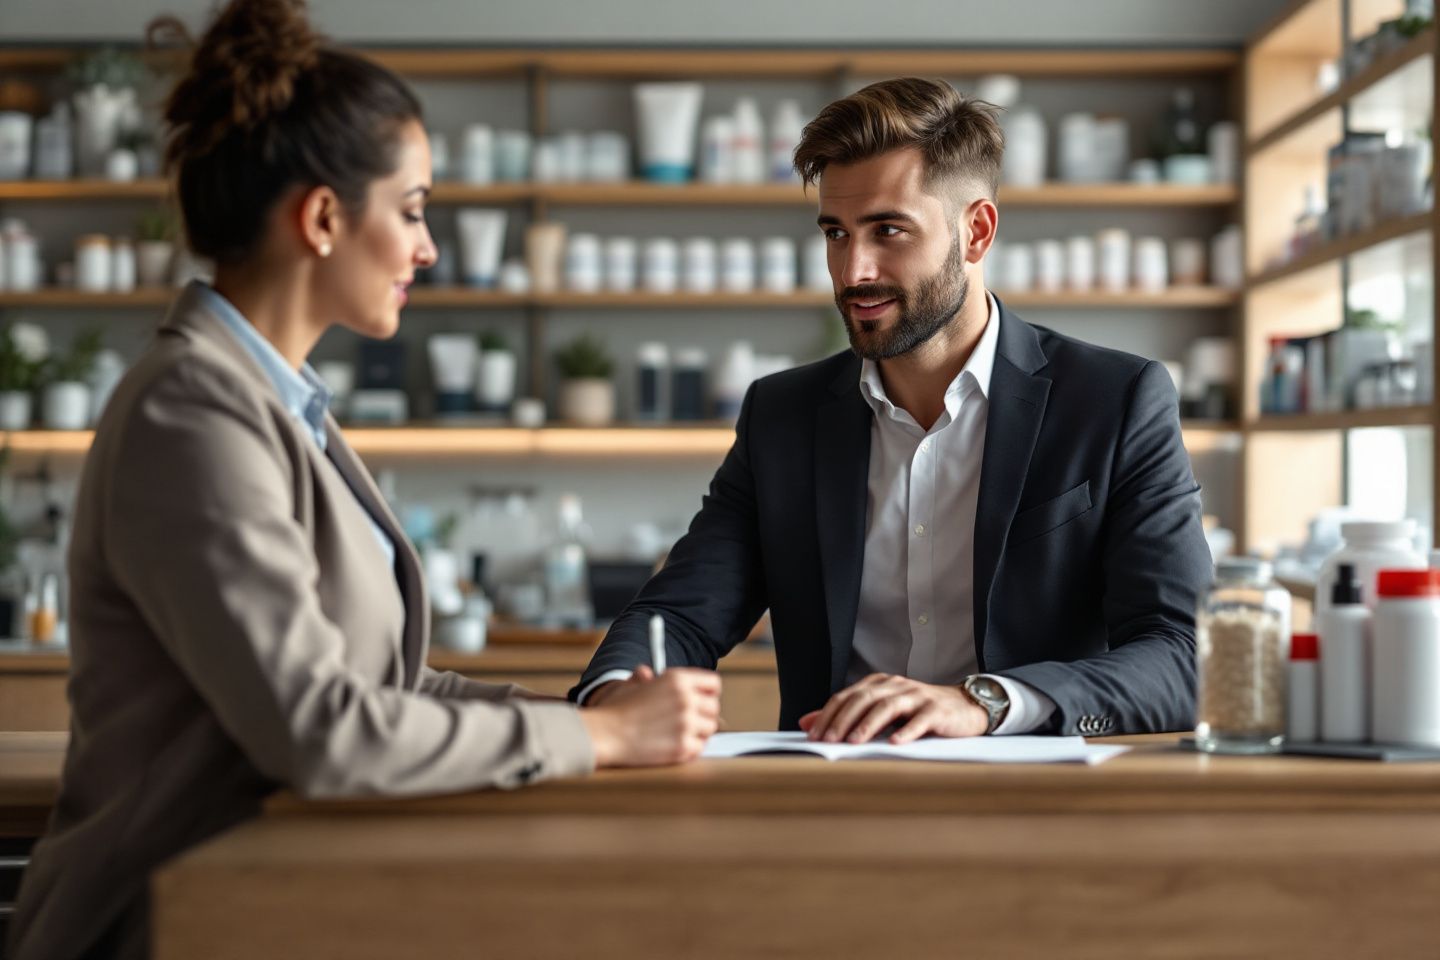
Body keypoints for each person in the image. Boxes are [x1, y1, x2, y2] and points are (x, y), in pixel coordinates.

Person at [5, 3, 720, 958]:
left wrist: (574, 714)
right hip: (161, 924)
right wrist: (603, 742)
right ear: (324, 218)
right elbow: (324, 730)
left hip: (268, 905)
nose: (428, 247)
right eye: (415, 209)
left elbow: (383, 682)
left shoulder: (275, 404)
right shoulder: (192, 412)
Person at [574, 77, 1211, 745]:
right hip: (833, 806)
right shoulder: (782, 416)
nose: (853, 271)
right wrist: (616, 700)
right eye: (836, 233)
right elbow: (679, 615)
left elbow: (1184, 655)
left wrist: (986, 702)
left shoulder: (1114, 400)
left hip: (1036, 807)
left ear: (977, 232)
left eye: (888, 230)